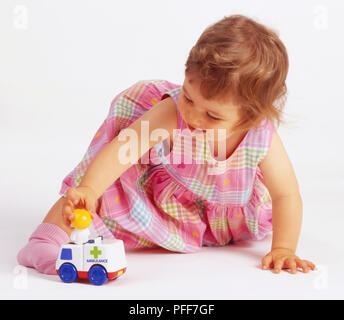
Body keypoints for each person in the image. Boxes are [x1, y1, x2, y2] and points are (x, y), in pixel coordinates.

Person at [17, 14, 316, 275]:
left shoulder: (261, 137)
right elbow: (122, 151)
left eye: (212, 114)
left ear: (252, 115)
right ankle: (45, 239)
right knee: (94, 191)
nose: (193, 115)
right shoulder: (172, 113)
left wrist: (284, 247)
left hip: (228, 215)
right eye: (188, 96)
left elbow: (286, 194)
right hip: (165, 204)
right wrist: (90, 190)